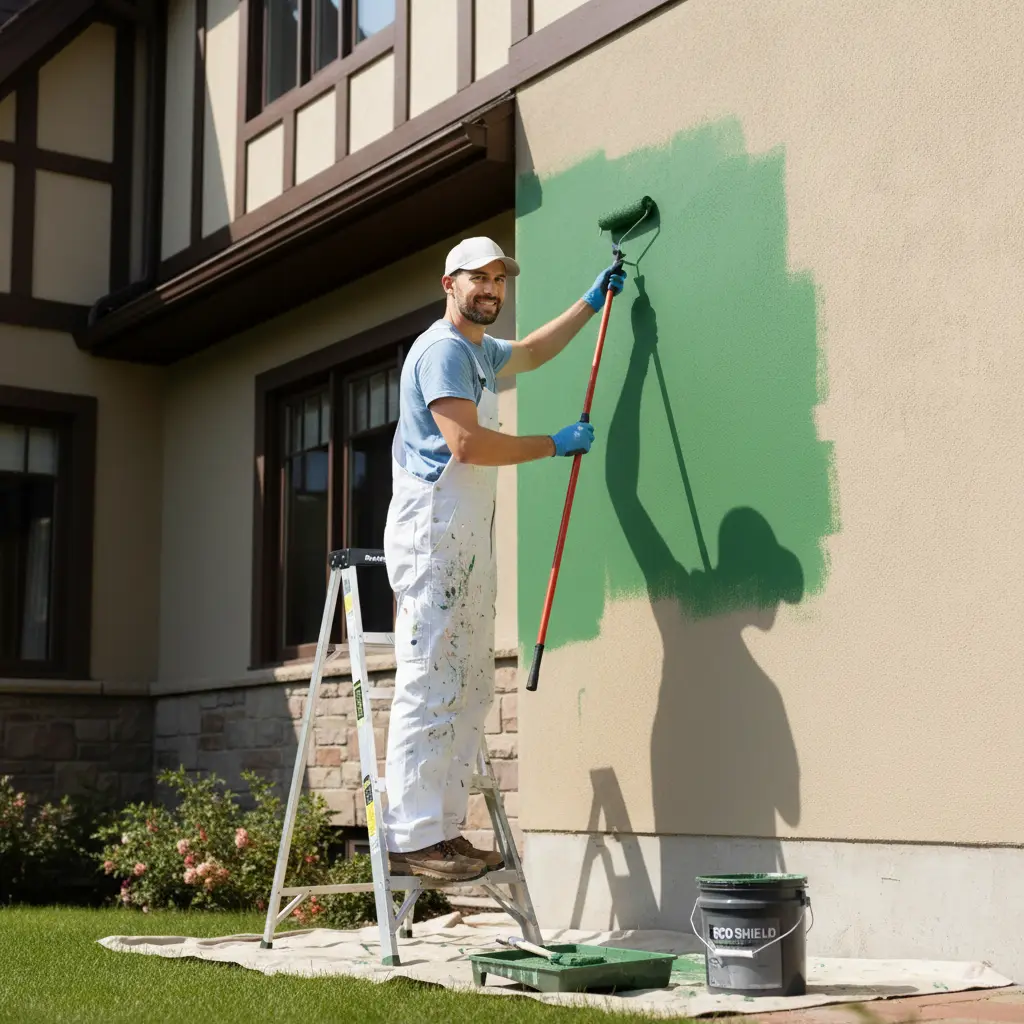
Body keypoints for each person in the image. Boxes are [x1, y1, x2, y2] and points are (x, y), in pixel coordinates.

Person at [382, 235, 626, 881]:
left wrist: (589, 303)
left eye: (498, 279)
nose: (491, 289)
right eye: (478, 278)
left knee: (468, 683)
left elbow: (534, 351)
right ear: (449, 284)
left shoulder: (479, 350)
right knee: (431, 679)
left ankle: (442, 833)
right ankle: (409, 838)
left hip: (464, 535)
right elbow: (466, 445)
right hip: (434, 532)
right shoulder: (442, 351)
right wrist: (553, 444)